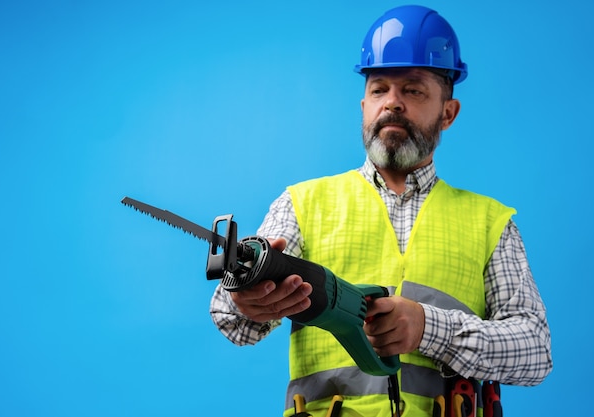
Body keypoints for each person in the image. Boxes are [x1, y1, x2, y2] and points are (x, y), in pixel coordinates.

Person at [210, 5, 552, 416]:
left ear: (448, 112)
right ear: (364, 105)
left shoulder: (490, 222)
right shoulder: (302, 203)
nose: (392, 103)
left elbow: (535, 352)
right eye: (379, 89)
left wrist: (430, 329)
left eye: (413, 90)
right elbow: (234, 323)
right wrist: (247, 299)